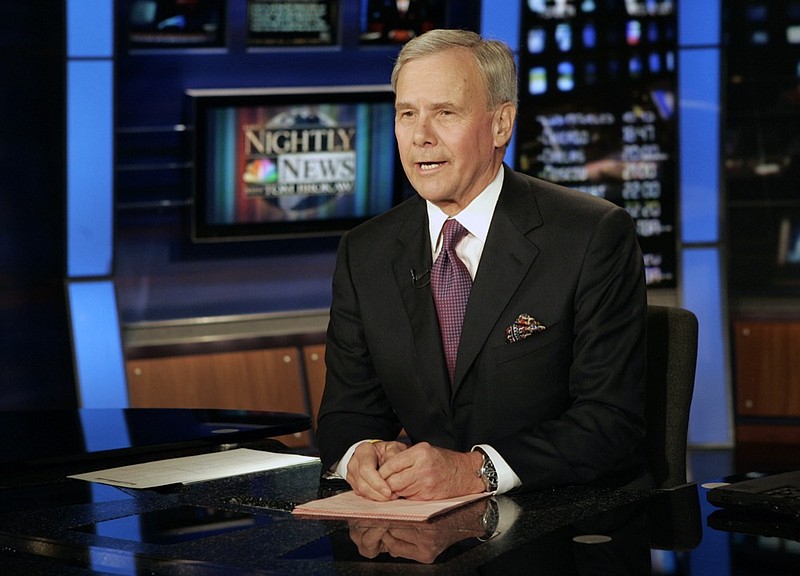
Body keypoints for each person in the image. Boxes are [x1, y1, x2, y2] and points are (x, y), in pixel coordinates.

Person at [315, 29, 648, 502]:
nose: (420, 136)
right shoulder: (364, 250)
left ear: (500, 125)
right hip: (417, 529)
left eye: (445, 113)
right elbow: (347, 411)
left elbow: (610, 421)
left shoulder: (591, 236)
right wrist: (359, 453)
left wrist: (477, 470)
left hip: (563, 522)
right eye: (407, 114)